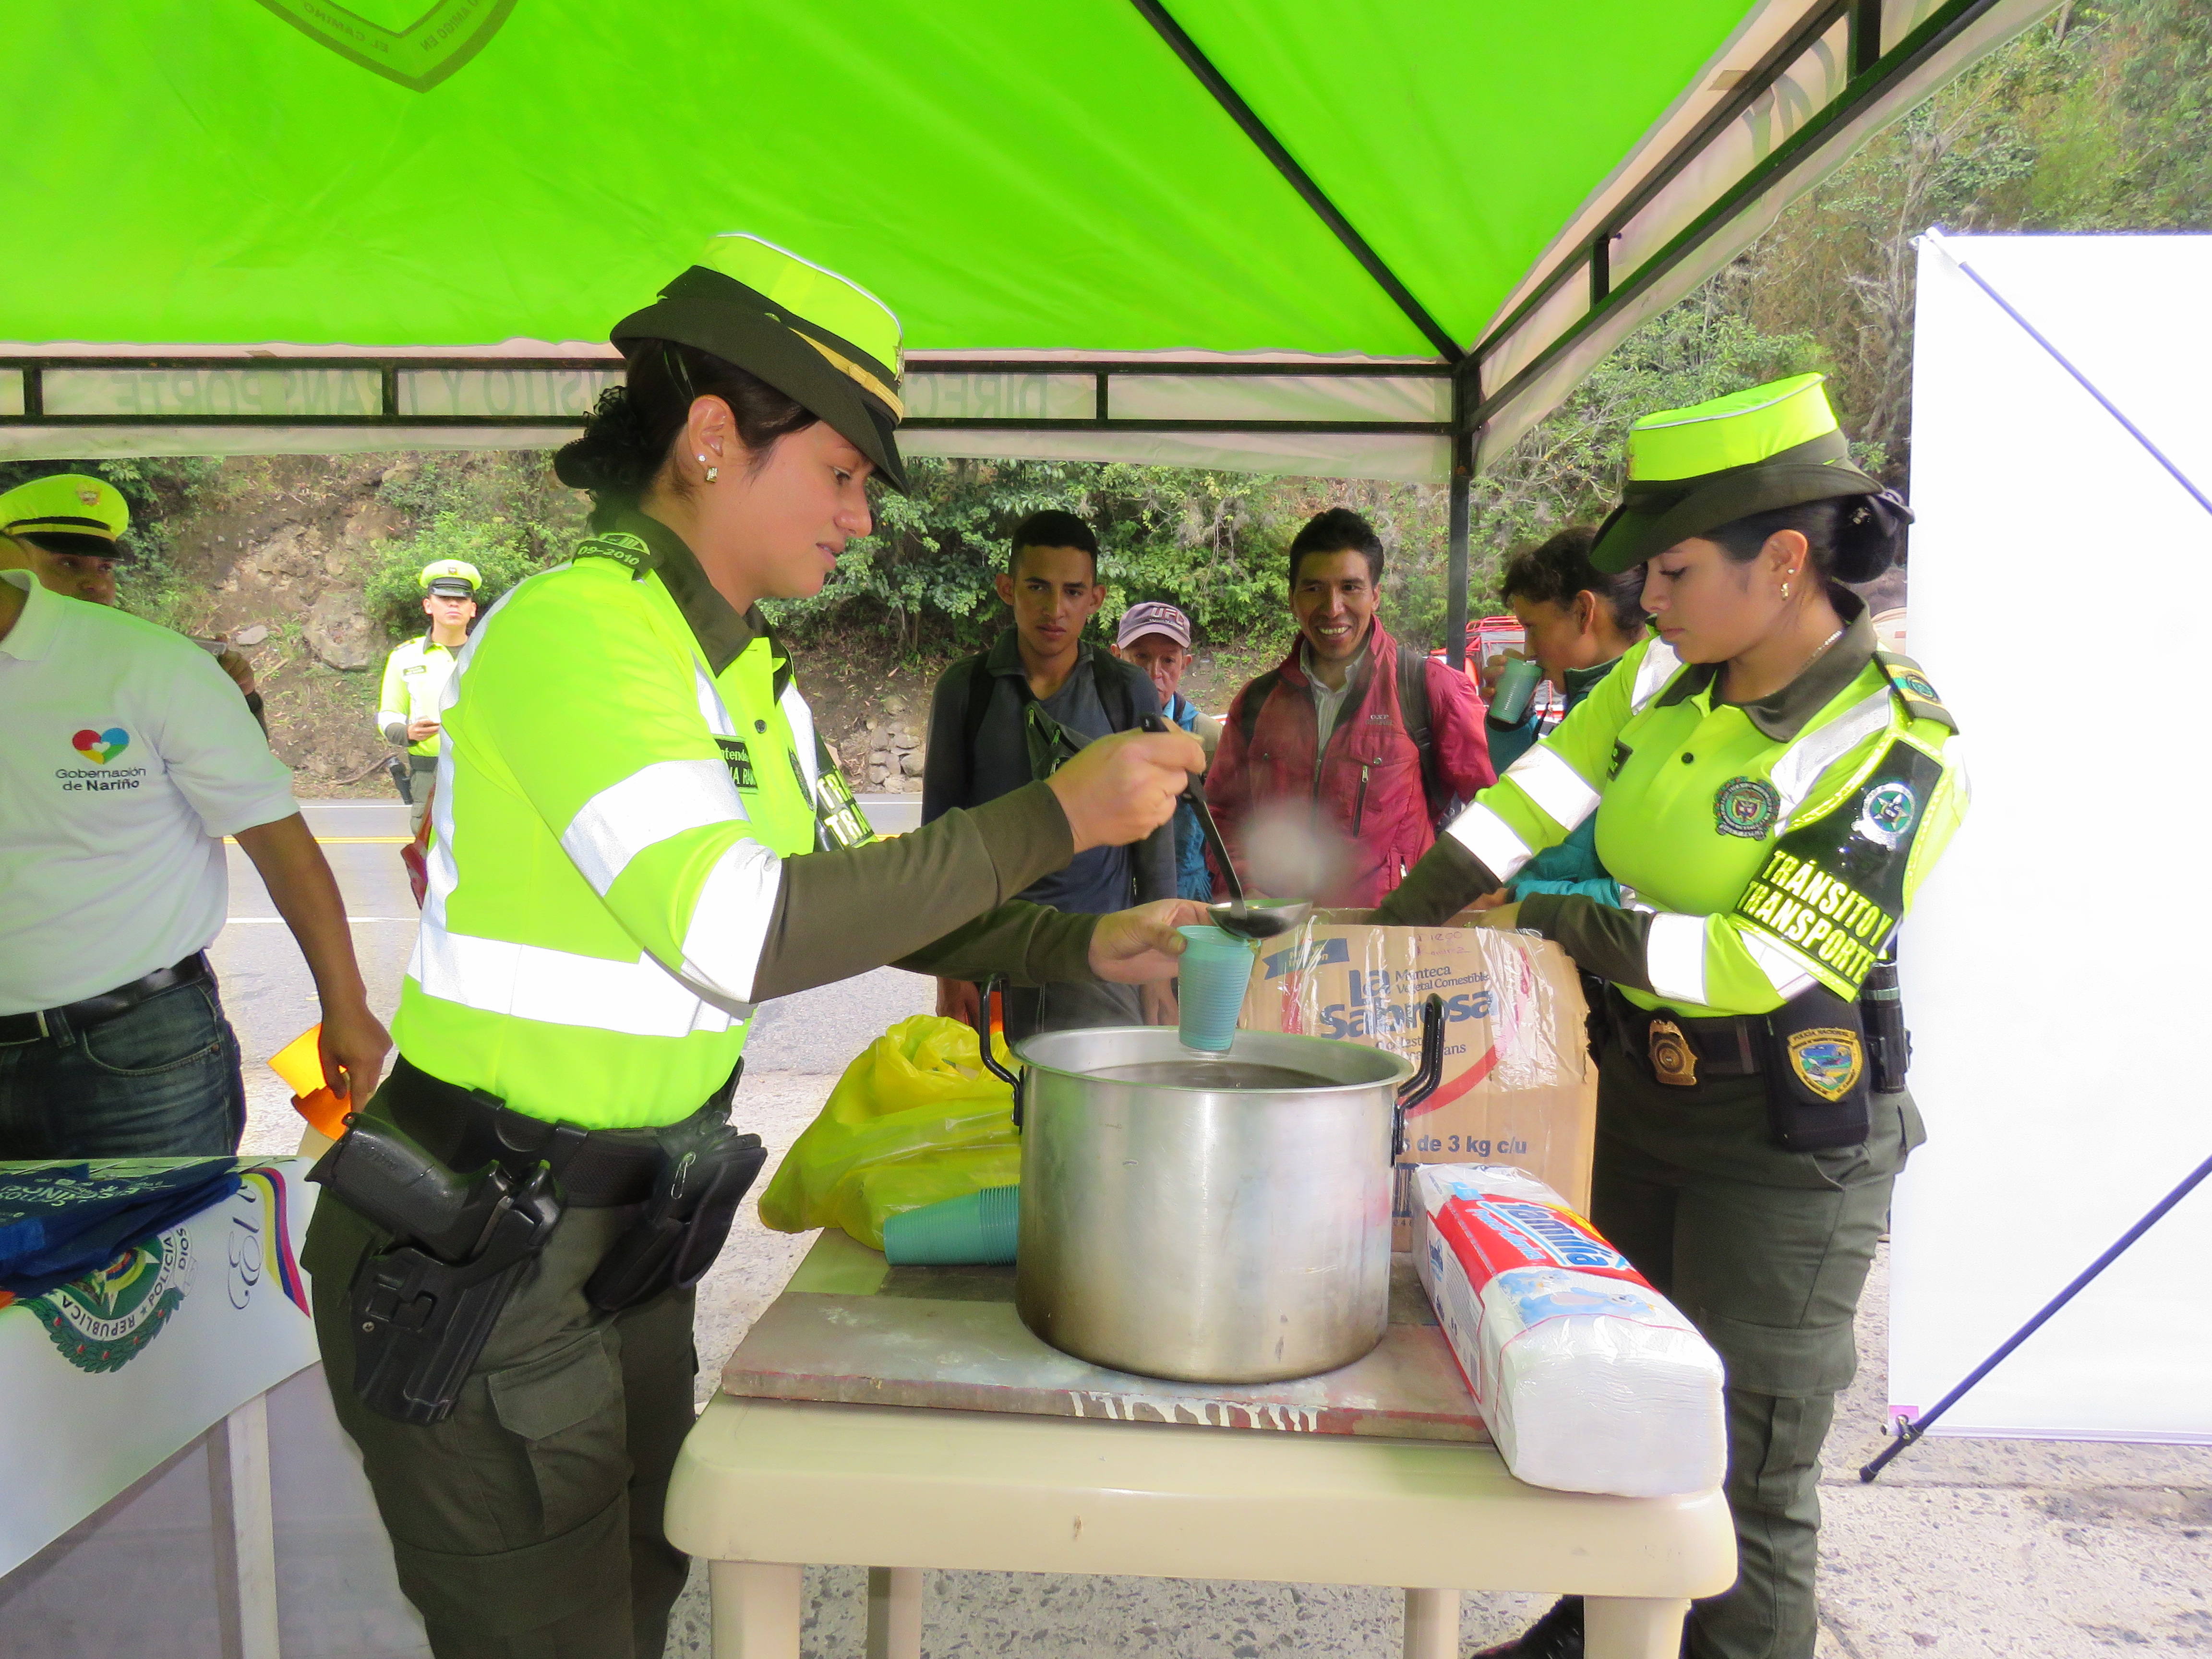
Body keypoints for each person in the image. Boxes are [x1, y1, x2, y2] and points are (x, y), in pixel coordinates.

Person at [299, 236, 1205, 1659]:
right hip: (480, 1250)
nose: (861, 516)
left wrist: (1091, 953)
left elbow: (876, 890)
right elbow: (743, 931)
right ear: (716, 441)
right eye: (843, 473)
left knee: (645, 1599)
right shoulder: (581, 634)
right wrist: (1053, 814)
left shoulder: (752, 675)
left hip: (622, 1239)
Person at [1375, 374, 1963, 1659]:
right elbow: (1528, 801)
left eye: (1678, 569)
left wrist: (1552, 924)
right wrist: (1400, 919)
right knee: (1613, 1400)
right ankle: (1590, 1634)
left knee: (1746, 1477)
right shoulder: (1660, 675)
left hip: (1787, 1142)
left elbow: (1761, 959)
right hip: (1646, 1103)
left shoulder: (1896, 746)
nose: (1647, 596)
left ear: (1788, 561)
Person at [0, 560, 389, 1157]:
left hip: (138, 1050)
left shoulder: (145, 664)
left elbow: (279, 844)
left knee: (159, 1249)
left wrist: (346, 1006)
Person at [922, 510, 1178, 1038]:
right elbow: (938, 837)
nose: (1054, 609)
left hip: (1102, 957)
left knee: (1100, 1112)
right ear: (1006, 588)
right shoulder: (966, 691)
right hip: (992, 955)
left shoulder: (1125, 689)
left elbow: (1155, 838)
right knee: (992, 1111)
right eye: (1037, 587)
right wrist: (950, 970)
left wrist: (1158, 973)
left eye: (1073, 592)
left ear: (1096, 599)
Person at [1204, 506, 1493, 907]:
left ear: (1376, 595)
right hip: (1278, 936)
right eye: (1314, 589)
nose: (1332, 607)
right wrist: (1246, 889)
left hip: (1389, 940)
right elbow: (1226, 814)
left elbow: (1490, 810)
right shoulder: (1257, 702)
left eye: (1350, 587)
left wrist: (1438, 902)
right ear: (1292, 599)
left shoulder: (1428, 689)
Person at [0, 471, 264, 724]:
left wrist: (241, 698)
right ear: (12, 570)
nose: (96, 584)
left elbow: (237, 765)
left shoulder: (152, 662)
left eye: (105, 568)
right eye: (68, 564)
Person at [1481, 525, 1647, 906]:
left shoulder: (1647, 710)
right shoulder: (1591, 696)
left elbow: (1636, 897)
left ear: (1584, 612)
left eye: (1533, 629)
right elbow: (1543, 796)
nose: (1529, 650)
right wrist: (1510, 719)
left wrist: (1517, 898)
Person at [1113, 600, 1220, 902]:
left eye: (1168, 661)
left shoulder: (1206, 736)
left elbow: (1226, 826)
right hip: (1112, 899)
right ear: (1117, 658)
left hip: (1189, 898)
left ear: (1185, 665)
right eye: (1141, 658)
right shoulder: (1097, 732)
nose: (1154, 673)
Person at [376, 558, 481, 835]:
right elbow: (389, 715)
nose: (453, 605)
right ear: (428, 605)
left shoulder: (491, 657)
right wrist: (407, 732)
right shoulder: (404, 657)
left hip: (482, 774)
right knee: (428, 859)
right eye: (444, 598)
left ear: (473, 609)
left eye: (461, 599)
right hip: (428, 775)